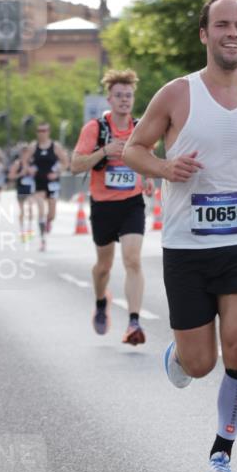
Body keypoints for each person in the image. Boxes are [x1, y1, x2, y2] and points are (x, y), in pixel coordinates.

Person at [123, 0, 237, 472]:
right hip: (187, 246)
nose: (233, 33)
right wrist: (166, 167)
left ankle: (221, 457)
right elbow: (133, 149)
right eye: (223, 25)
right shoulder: (177, 95)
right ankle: (180, 355)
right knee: (201, 363)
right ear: (204, 34)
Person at [71, 69, 154, 343]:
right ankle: (100, 301)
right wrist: (105, 151)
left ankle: (133, 322)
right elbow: (75, 165)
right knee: (103, 267)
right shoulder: (95, 129)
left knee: (132, 260)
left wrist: (149, 177)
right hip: (103, 206)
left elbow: (148, 159)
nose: (124, 100)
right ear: (109, 98)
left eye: (128, 96)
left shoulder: (141, 127)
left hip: (131, 203)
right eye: (118, 96)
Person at [30, 122, 67, 251]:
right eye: (40, 130)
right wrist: (30, 169)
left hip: (52, 182)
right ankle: (42, 240)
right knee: (40, 210)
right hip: (39, 181)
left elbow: (65, 162)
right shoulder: (33, 147)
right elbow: (24, 161)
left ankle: (48, 222)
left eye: (45, 130)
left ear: (49, 131)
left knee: (51, 214)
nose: (42, 133)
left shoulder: (55, 146)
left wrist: (57, 172)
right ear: (37, 132)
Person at [9, 145, 36, 241]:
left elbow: (36, 173)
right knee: (22, 211)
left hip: (31, 189)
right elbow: (11, 176)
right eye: (24, 152)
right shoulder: (17, 163)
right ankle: (22, 230)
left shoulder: (32, 162)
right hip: (20, 189)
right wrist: (20, 174)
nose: (25, 155)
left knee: (30, 208)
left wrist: (30, 170)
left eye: (27, 152)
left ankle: (29, 229)